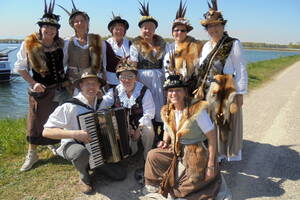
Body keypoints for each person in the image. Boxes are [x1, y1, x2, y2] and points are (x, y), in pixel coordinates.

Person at [43, 68, 126, 194]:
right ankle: (84, 176)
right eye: (87, 83)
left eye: (94, 83)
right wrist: (75, 134)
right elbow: (46, 131)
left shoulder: (101, 103)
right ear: (80, 85)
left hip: (97, 147)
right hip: (73, 144)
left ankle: (96, 163)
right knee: (80, 153)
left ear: (99, 86)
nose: (91, 87)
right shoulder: (69, 106)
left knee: (120, 175)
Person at [143, 75, 221, 199]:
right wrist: (164, 141)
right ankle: (157, 184)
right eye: (170, 90)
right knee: (153, 155)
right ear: (166, 93)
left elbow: (212, 137)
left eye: (178, 90)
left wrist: (211, 166)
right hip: (175, 149)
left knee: (184, 187)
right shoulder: (167, 110)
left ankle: (178, 186)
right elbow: (167, 129)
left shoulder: (197, 110)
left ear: (185, 92)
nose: (174, 93)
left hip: (195, 152)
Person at [14, 0, 67, 172]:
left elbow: (66, 64)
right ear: (41, 28)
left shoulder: (61, 45)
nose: (49, 31)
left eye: (53, 28)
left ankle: (52, 145)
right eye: (46, 27)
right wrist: (33, 83)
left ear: (57, 30)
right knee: (35, 121)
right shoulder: (29, 44)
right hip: (39, 91)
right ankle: (32, 154)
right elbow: (20, 68)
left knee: (55, 119)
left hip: (58, 89)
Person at [197, 0, 248, 162]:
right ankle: (213, 152)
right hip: (208, 89)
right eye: (210, 26)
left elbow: (241, 69)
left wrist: (240, 93)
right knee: (210, 122)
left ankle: (222, 154)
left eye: (217, 25)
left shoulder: (233, 44)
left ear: (223, 26)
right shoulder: (206, 46)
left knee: (224, 123)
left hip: (226, 87)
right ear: (207, 29)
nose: (214, 29)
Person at [59, 0, 118, 92]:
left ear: (87, 23)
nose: (80, 23)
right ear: (72, 25)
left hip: (93, 84)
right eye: (76, 21)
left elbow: (105, 65)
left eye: (82, 21)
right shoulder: (67, 43)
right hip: (73, 85)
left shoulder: (99, 42)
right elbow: (62, 64)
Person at [130, 1, 167, 143]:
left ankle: (163, 136)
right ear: (141, 29)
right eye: (145, 28)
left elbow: (166, 63)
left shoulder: (162, 44)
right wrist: (135, 82)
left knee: (161, 106)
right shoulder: (136, 45)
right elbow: (133, 63)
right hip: (143, 78)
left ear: (154, 29)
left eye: (150, 28)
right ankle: (149, 137)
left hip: (159, 78)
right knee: (146, 106)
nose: (147, 30)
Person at [164, 0, 203, 96]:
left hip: (189, 88)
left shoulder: (195, 47)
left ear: (186, 32)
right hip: (171, 88)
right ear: (172, 32)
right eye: (176, 30)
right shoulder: (167, 47)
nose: (179, 33)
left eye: (183, 30)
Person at [106, 14, 131, 87]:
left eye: (121, 29)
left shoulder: (129, 43)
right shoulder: (106, 44)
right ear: (112, 30)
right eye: (116, 29)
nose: (119, 31)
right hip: (110, 80)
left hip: (127, 80)